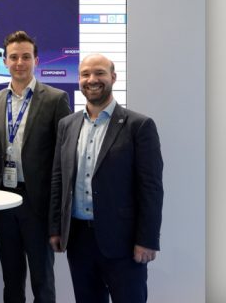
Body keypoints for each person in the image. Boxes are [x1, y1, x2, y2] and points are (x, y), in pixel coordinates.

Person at [49, 54, 163, 303]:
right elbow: (59, 179)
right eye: (85, 74)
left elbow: (151, 188)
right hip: (79, 240)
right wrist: (56, 229)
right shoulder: (67, 125)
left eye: (99, 73)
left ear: (113, 77)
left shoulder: (139, 126)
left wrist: (147, 240)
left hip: (124, 242)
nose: (92, 79)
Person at [0, 31, 72, 303]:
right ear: (5, 62)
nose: (19, 63)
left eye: (25, 57)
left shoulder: (55, 99)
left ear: (36, 60)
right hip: (5, 202)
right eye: (13, 57)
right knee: (11, 280)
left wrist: (57, 210)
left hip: (38, 205)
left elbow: (64, 158)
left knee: (42, 281)